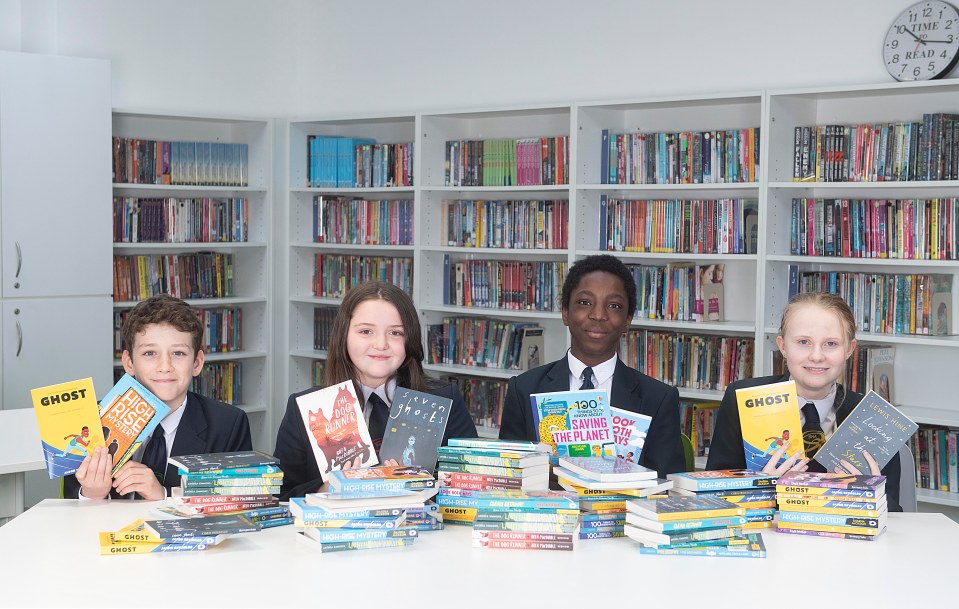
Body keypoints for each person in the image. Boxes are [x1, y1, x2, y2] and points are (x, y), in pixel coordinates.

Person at [274, 281, 478, 500]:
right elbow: (280, 496)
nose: (381, 344)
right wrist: (329, 488)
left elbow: (473, 485)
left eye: (396, 333)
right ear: (344, 336)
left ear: (410, 340)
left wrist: (424, 489)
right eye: (366, 331)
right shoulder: (307, 408)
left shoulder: (443, 400)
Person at [706, 292, 903, 511]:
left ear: (849, 349)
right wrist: (757, 488)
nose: (816, 356)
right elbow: (713, 494)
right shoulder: (743, 400)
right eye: (803, 342)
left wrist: (873, 495)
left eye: (830, 343)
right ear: (782, 346)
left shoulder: (873, 419)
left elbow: (896, 514)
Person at [498, 254, 685, 478]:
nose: (598, 315)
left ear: (627, 320)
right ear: (565, 313)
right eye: (585, 303)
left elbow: (666, 489)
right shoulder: (524, 390)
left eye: (614, 306)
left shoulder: (658, 399)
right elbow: (508, 478)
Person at [63, 294, 252, 500]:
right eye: (150, 353)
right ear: (129, 363)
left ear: (197, 363)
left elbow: (237, 500)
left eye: (178, 353)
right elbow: (70, 507)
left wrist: (164, 494)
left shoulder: (228, 425)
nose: (165, 367)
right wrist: (92, 494)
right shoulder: (92, 421)